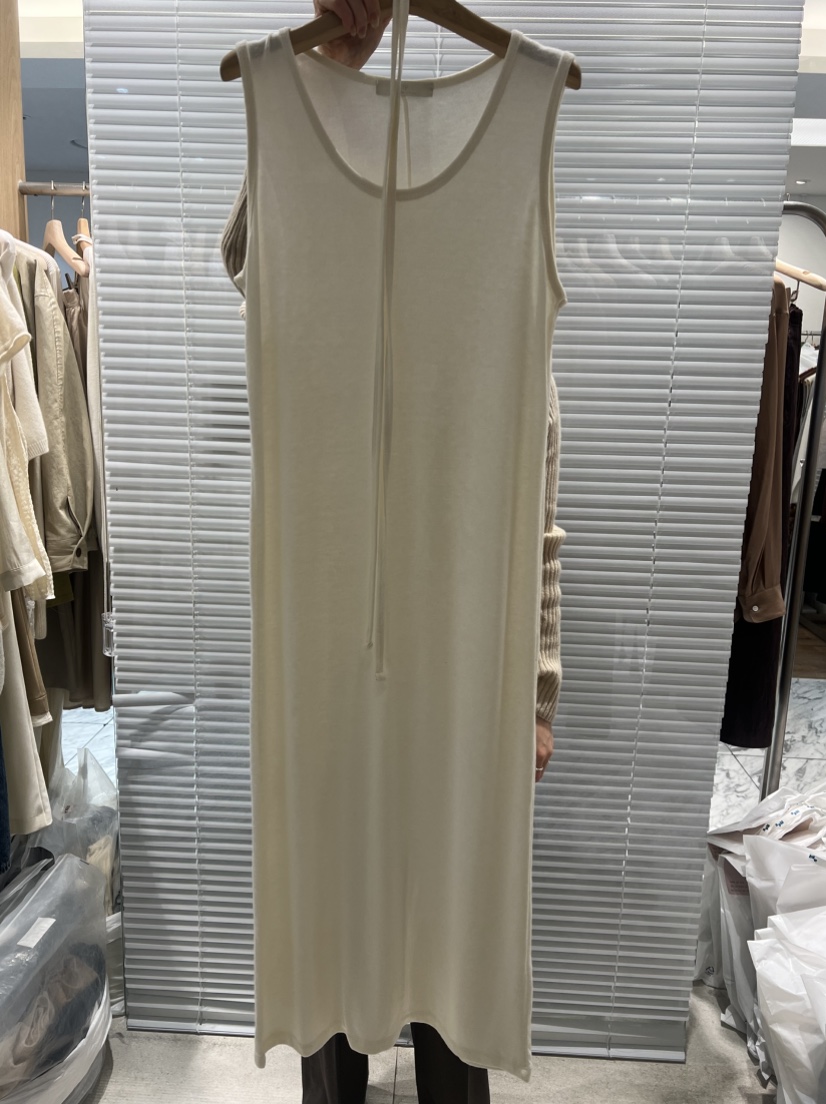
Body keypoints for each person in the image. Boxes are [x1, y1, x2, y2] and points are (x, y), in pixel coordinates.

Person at [221, 1, 564, 1096]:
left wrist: (537, 690)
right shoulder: (288, 124)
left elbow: (538, 511)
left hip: (462, 670)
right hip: (323, 657)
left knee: (447, 948)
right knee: (333, 937)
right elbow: (248, 254)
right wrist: (328, 66)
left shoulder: (522, 143)